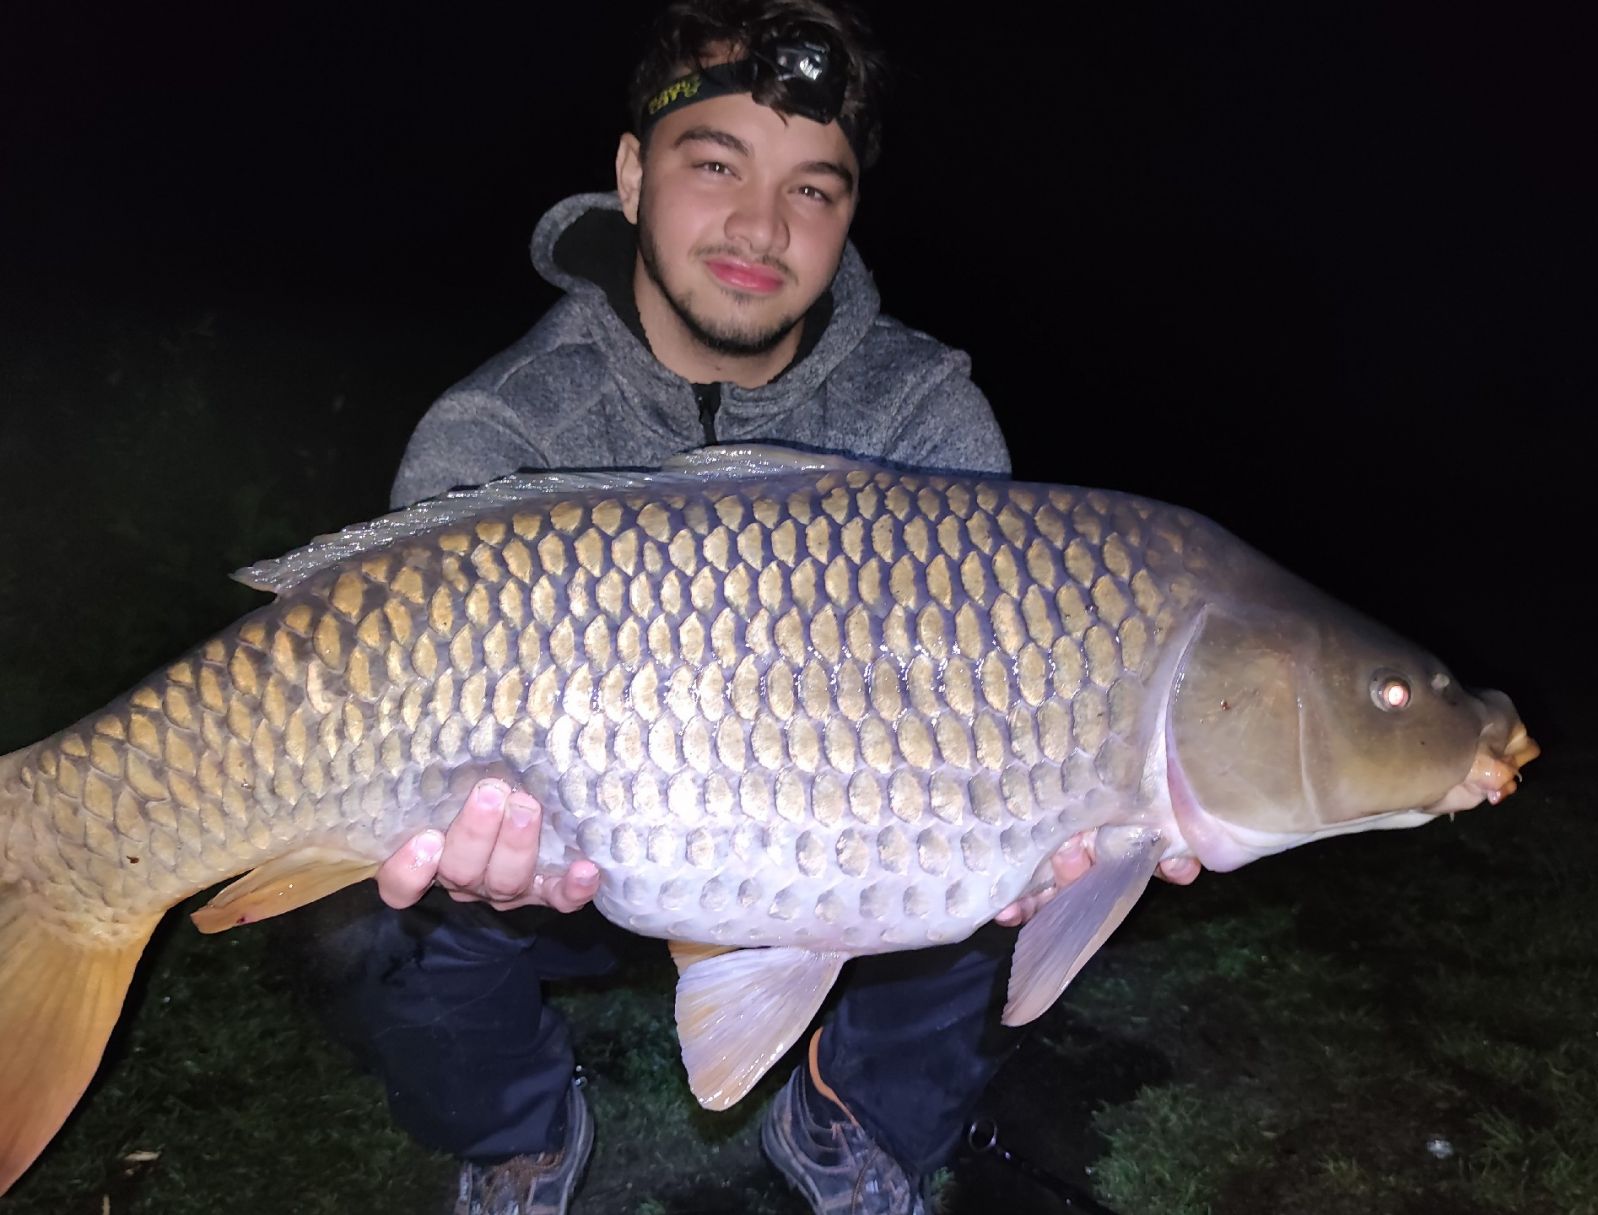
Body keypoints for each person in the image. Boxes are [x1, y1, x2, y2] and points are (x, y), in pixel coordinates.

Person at [306, 3, 1200, 1212]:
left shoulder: (927, 424)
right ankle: (517, 1131)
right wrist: (465, 859)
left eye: (814, 191)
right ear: (632, 174)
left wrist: (1057, 833)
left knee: (1004, 862)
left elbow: (997, 741)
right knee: (375, 914)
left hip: (836, 851)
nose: (760, 226)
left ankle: (851, 1112)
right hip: (562, 859)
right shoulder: (502, 431)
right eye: (716, 163)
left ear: (848, 218)